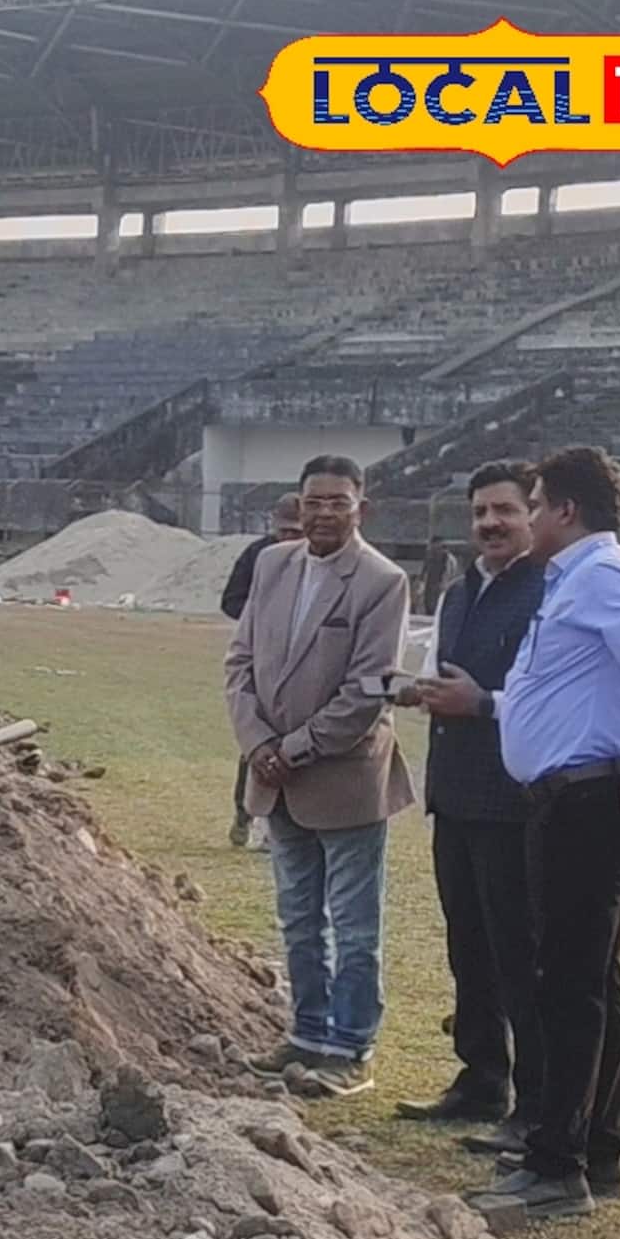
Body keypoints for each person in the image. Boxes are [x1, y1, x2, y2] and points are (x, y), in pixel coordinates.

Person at [469, 446, 620, 1224]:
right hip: (568, 798)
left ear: (564, 510)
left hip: (589, 803)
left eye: (532, 504)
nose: (526, 517)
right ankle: (597, 1150)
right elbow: (569, 692)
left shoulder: (602, 575)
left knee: (566, 984)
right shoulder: (575, 580)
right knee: (591, 978)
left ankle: (556, 1167)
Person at [226, 455, 414, 1097]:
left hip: (343, 777)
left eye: (338, 501)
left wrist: (295, 748)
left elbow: (369, 690)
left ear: (361, 506)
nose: (325, 512)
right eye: (314, 501)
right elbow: (239, 661)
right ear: (297, 505)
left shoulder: (382, 581)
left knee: (355, 923)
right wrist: (257, 743)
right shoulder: (273, 565)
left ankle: (351, 1047)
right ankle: (306, 1034)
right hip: (274, 774)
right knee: (298, 918)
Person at [395, 463, 545, 1134]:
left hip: (515, 800)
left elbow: (553, 701)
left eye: (504, 511)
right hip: (453, 797)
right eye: (481, 511)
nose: (490, 523)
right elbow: (442, 675)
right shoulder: (459, 591)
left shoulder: (552, 592)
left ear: (533, 515)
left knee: (521, 955)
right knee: (469, 950)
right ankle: (482, 1080)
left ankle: (536, 1103)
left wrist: (483, 705)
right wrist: (421, 692)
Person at [223, 493, 307, 848]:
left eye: (296, 533)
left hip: (306, 663)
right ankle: (245, 814)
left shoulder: (324, 561)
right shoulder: (259, 556)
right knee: (257, 742)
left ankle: (284, 825)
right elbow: (230, 600)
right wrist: (262, 622)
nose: (289, 540)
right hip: (264, 658)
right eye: (284, 532)